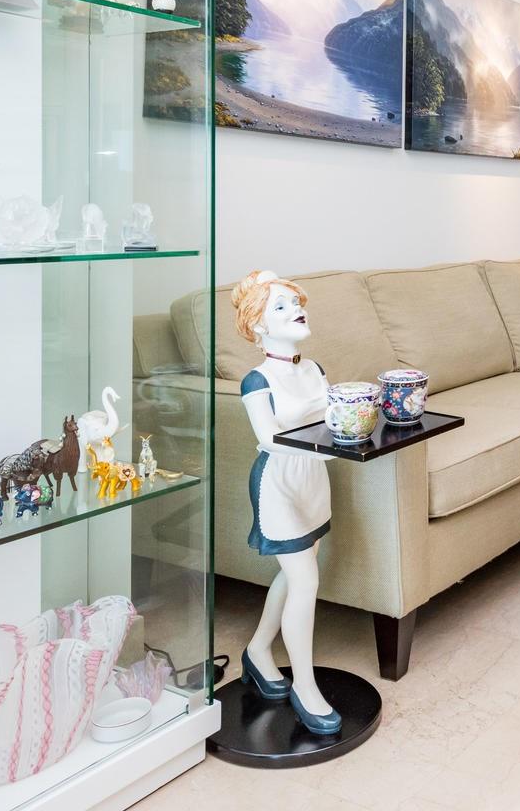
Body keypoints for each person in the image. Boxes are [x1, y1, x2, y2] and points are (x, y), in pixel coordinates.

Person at [231, 269, 342, 735]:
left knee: (297, 573)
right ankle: (305, 687)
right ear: (258, 325)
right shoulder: (257, 381)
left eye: (295, 303)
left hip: (313, 480)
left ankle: (258, 650)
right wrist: (326, 444)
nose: (296, 310)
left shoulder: (314, 368)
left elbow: (333, 416)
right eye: (280, 306)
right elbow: (270, 438)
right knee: (306, 579)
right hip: (278, 483)